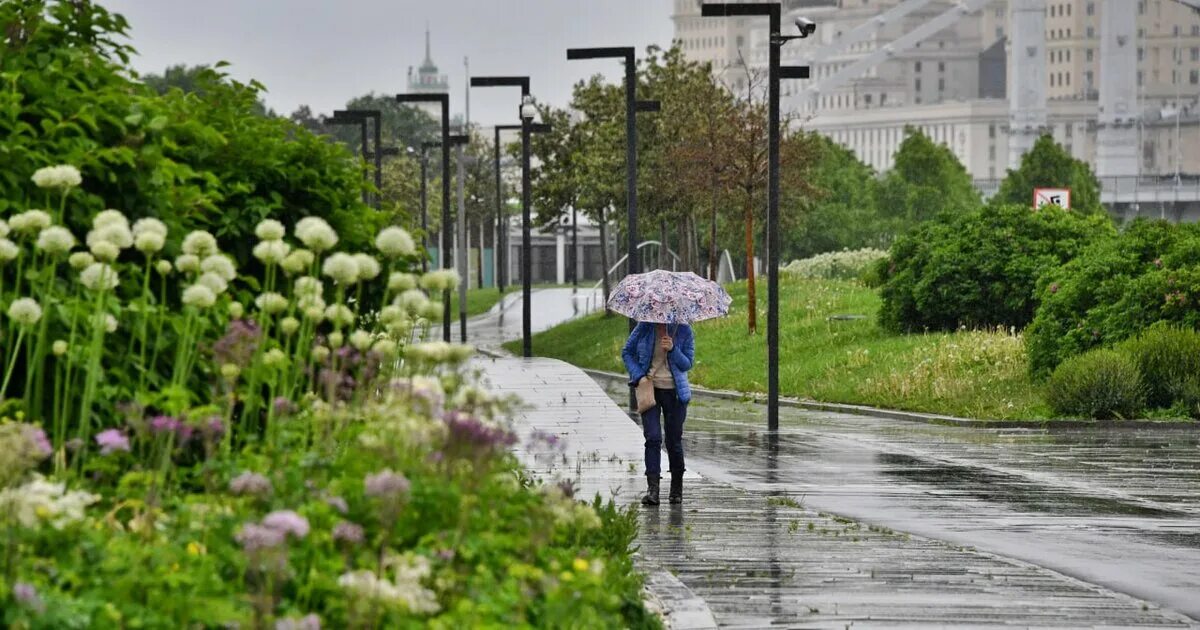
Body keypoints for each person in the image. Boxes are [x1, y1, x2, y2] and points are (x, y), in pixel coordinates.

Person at [621, 321, 694, 506]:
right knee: (652, 438)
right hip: (650, 390)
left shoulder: (683, 329)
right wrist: (639, 376)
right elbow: (627, 352)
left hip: (675, 394)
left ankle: (676, 490)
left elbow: (687, 364)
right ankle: (653, 490)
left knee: (673, 441)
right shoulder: (644, 327)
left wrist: (673, 349)